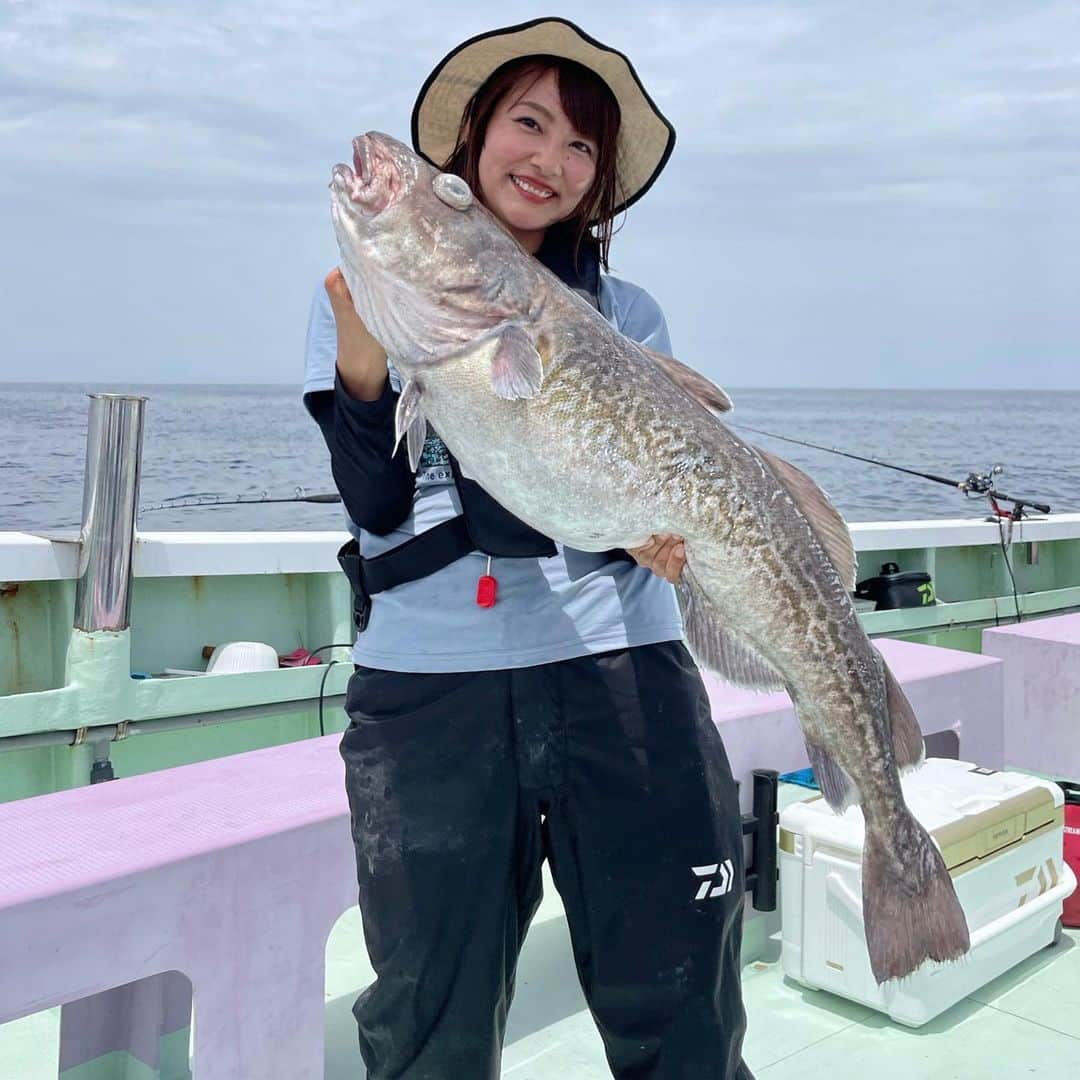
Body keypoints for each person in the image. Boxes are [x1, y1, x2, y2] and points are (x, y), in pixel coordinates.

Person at [304, 17, 753, 1079]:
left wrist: (668, 534)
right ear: (472, 138)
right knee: (428, 1024)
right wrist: (368, 372)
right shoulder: (361, 298)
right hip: (433, 698)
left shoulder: (630, 315)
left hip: (624, 674)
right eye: (529, 123)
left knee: (685, 1012)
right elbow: (376, 504)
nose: (549, 160)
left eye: (581, 146)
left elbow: (616, 500)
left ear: (600, 183)